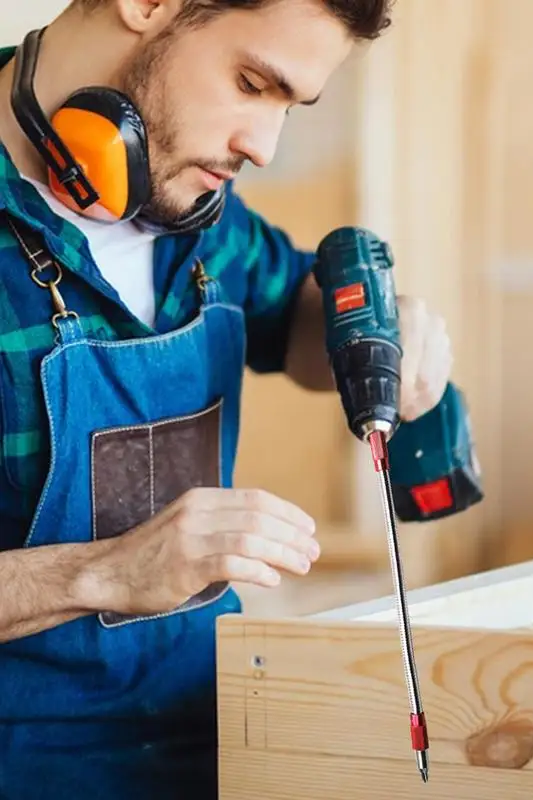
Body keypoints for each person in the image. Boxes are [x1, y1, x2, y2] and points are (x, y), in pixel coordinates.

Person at [0, 1, 454, 797]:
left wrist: (387, 332)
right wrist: (99, 574)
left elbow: (300, 322)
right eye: (252, 83)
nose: (265, 146)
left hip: (218, 746)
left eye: (289, 106)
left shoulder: (195, 205)